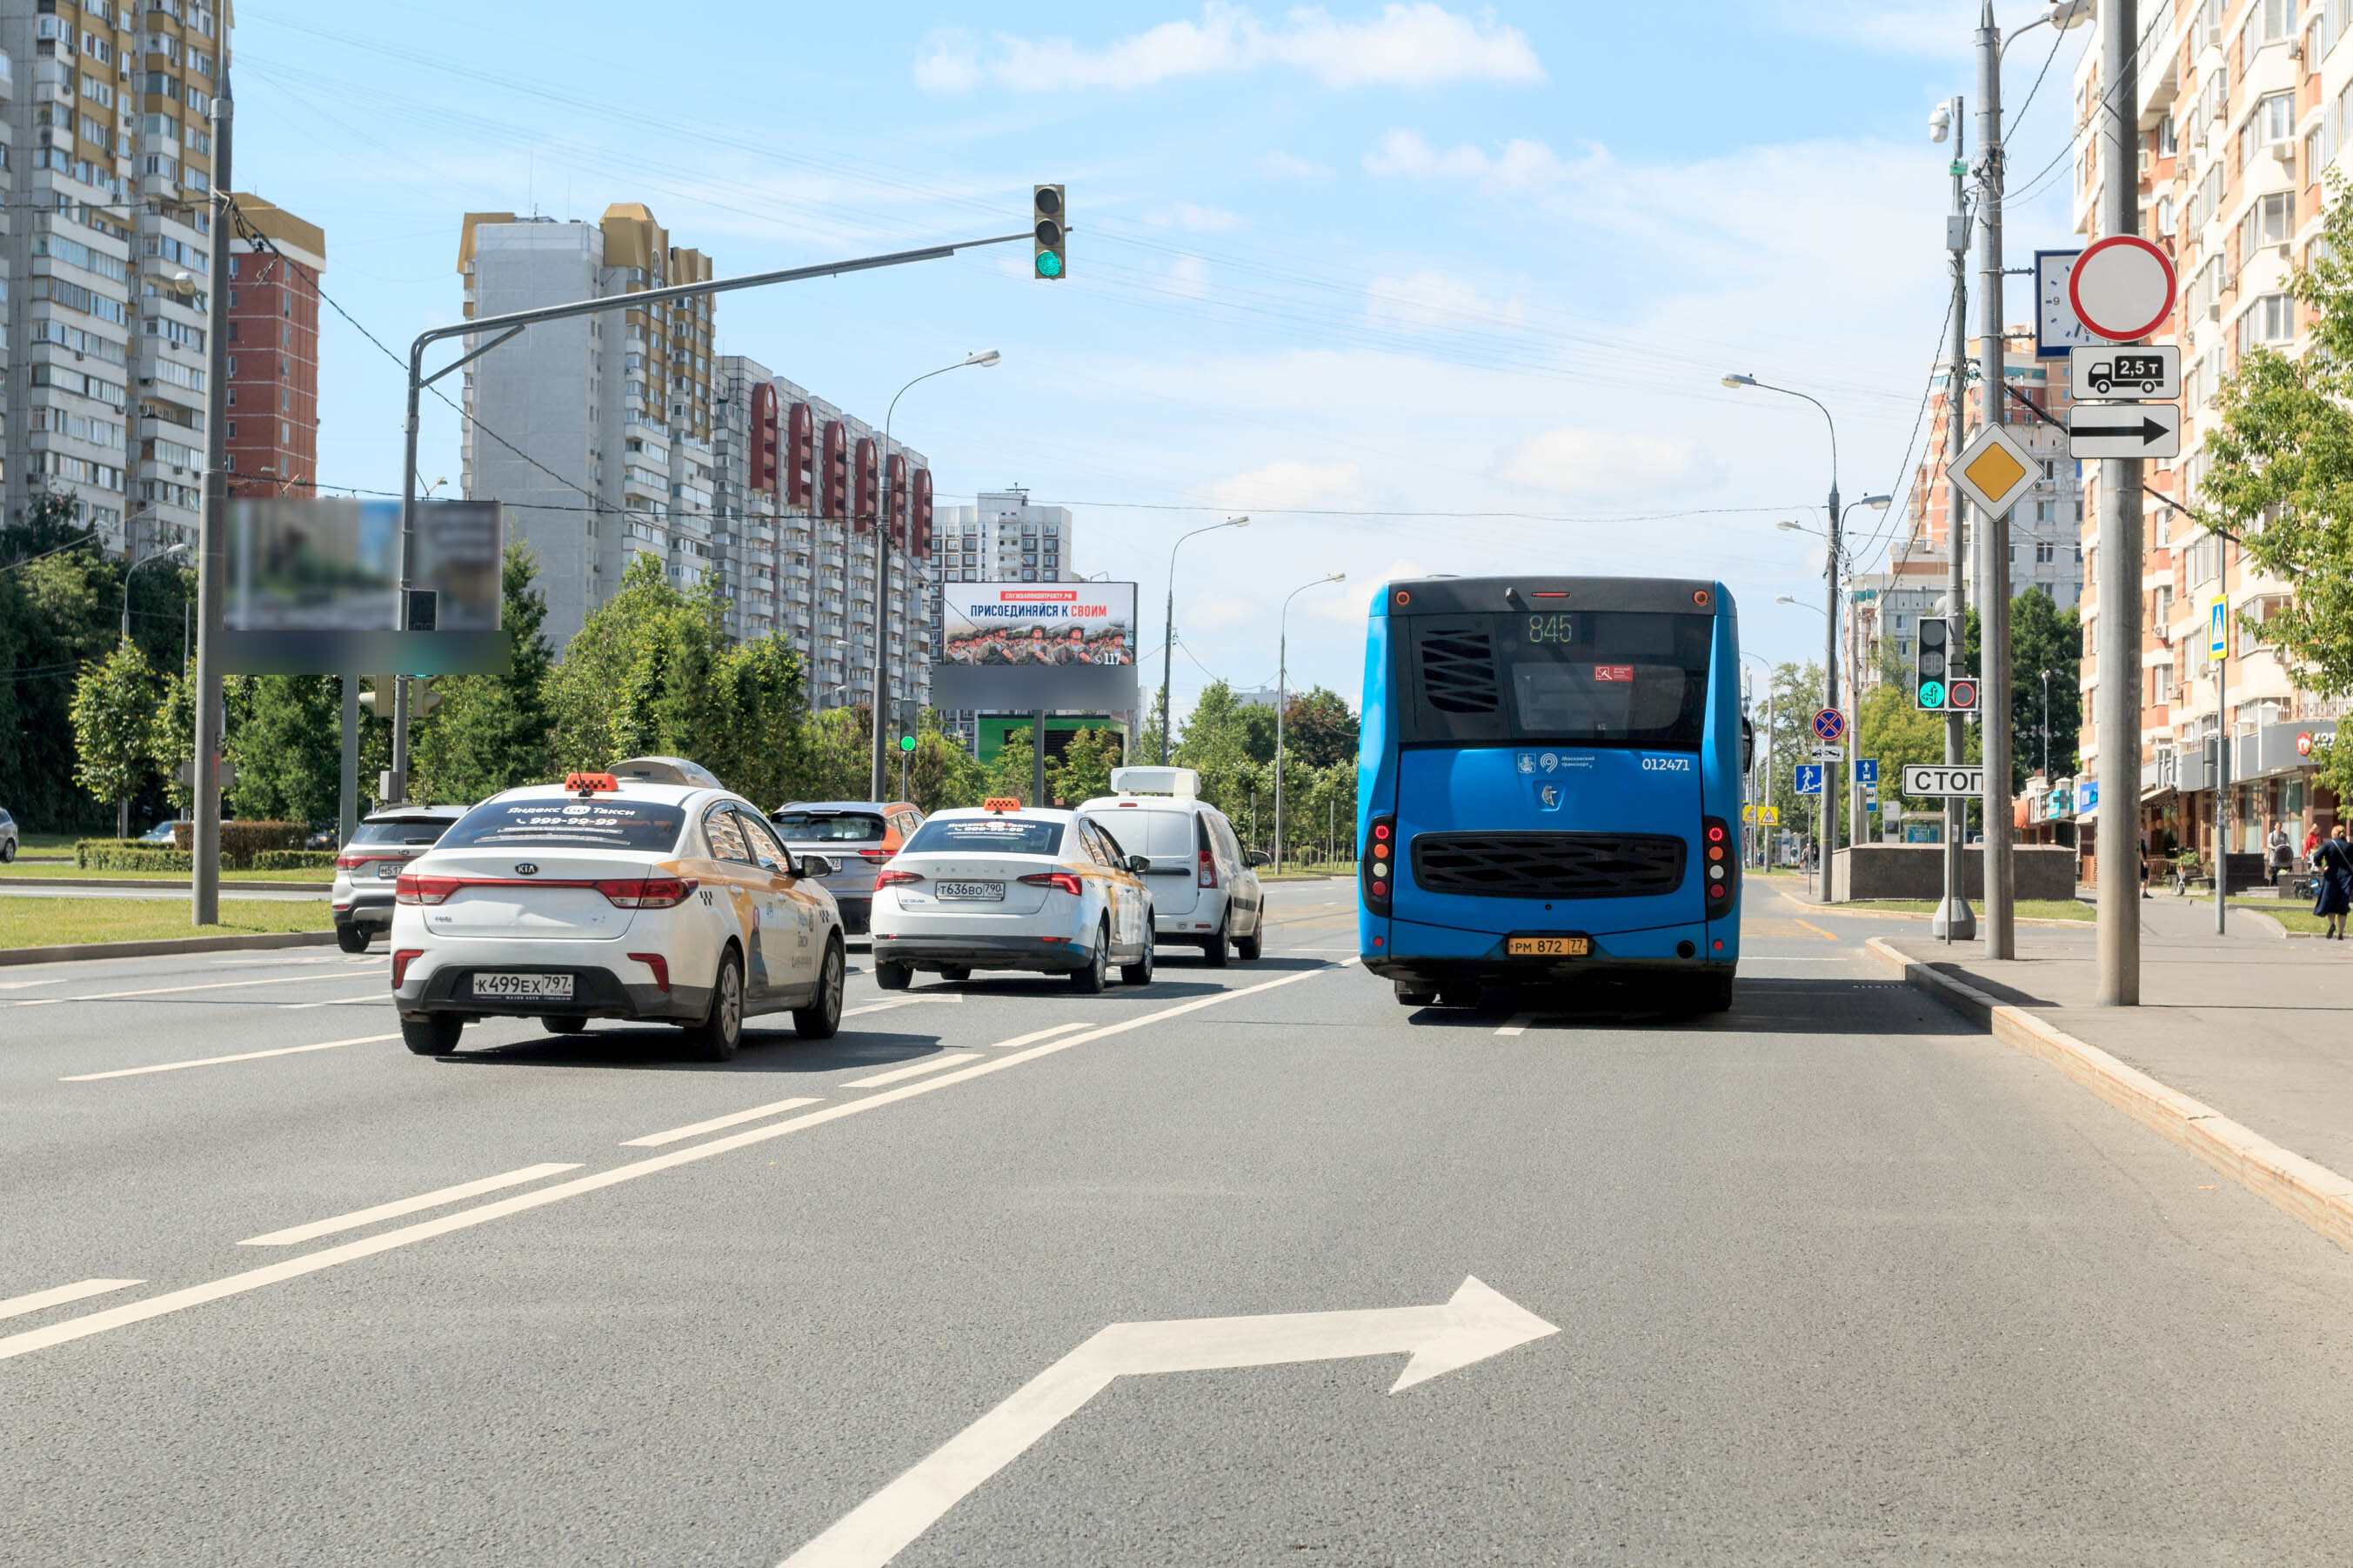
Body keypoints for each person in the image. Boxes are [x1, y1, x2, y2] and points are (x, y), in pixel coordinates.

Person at [2315, 823, 2353, 940]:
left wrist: (2321, 869)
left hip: (2331, 877)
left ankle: (2332, 925)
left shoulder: (2328, 845)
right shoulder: (2350, 846)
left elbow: (2317, 856)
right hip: (2347, 877)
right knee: (2343, 906)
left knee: (2330, 903)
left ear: (2334, 833)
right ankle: (2341, 934)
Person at [2269, 819, 2295, 887]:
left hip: (2283, 858)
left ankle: (2282, 885)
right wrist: (2275, 848)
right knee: (2274, 873)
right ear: (2275, 827)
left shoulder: (2285, 835)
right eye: (2277, 826)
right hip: (2274, 858)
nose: (2279, 828)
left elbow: (2288, 844)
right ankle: (2273, 885)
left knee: (2284, 872)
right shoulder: (2272, 835)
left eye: (2280, 826)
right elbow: (2269, 845)